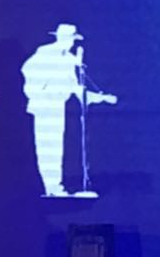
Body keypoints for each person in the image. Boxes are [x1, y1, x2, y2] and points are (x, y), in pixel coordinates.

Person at [20, 23, 116, 197]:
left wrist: (100, 98)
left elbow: (75, 87)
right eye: (69, 39)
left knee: (56, 147)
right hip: (44, 105)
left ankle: (55, 187)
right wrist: (44, 89)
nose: (70, 43)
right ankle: (49, 187)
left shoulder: (70, 59)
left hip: (58, 106)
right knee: (46, 146)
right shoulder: (45, 52)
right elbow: (28, 72)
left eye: (72, 39)